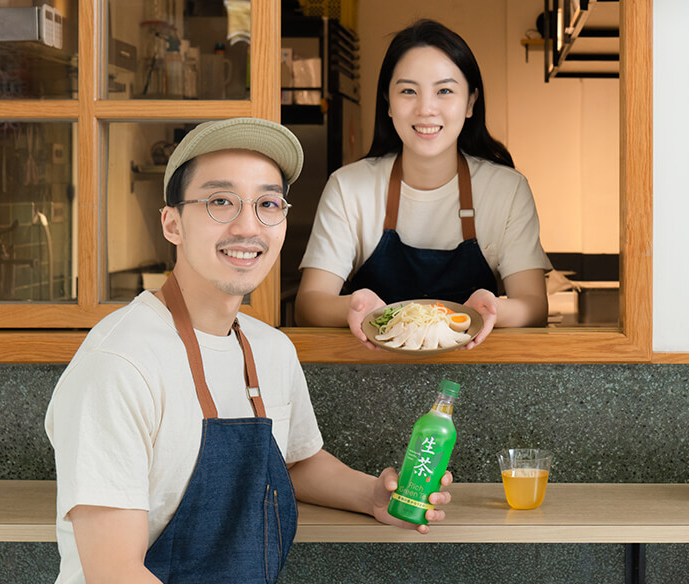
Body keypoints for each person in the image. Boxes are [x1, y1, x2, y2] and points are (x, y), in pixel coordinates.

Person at [44, 118, 453, 584]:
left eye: (267, 204)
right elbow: (114, 572)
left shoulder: (270, 349)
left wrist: (374, 496)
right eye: (221, 201)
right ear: (172, 223)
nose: (247, 226)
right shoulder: (119, 365)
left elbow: (294, 462)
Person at [294, 19, 552, 349]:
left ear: (471, 102)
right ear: (387, 102)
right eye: (408, 91)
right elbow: (309, 303)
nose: (426, 109)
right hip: (370, 377)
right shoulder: (349, 187)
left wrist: (493, 309)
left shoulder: (507, 190)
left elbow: (534, 305)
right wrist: (353, 306)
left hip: (475, 376)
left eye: (444, 91)